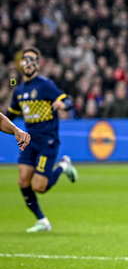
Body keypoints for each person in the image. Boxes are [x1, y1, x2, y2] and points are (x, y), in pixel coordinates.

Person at [5, 47, 78, 233]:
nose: (28, 63)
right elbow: (8, 116)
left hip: (48, 140)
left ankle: (63, 165)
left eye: (32, 60)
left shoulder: (45, 85)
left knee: (39, 187)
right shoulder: (19, 90)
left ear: (37, 64)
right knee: (22, 181)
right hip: (30, 140)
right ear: (21, 63)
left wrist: (63, 104)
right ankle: (42, 220)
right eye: (25, 59)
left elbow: (67, 100)